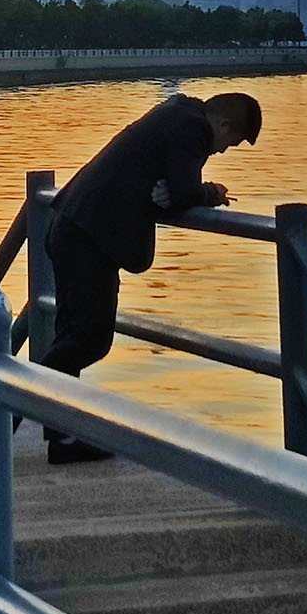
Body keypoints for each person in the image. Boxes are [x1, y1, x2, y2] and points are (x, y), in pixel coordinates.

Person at [39, 90, 262, 464]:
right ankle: (4, 400)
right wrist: (211, 193)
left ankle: (60, 437)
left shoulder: (176, 111)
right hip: (88, 239)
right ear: (222, 124)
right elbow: (186, 189)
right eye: (230, 142)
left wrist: (169, 189)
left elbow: (172, 186)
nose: (222, 151)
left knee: (73, 338)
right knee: (88, 341)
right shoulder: (191, 131)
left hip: (72, 225)